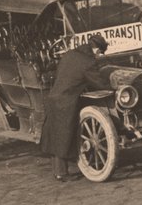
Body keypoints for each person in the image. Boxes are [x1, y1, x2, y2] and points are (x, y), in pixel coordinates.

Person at [40, 33, 110, 181]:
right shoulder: (88, 62)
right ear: (96, 49)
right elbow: (99, 83)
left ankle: (58, 171)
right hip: (66, 102)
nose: (99, 56)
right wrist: (114, 89)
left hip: (55, 98)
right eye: (100, 53)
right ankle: (61, 174)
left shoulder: (70, 54)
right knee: (63, 137)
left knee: (56, 137)